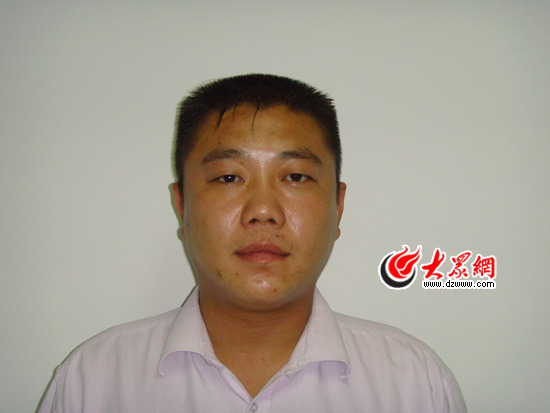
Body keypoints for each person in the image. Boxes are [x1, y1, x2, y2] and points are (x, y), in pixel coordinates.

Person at [37, 74, 467, 412]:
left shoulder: (415, 383)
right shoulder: (92, 381)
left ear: (337, 206)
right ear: (181, 206)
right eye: (229, 177)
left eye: (295, 176)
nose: (263, 210)